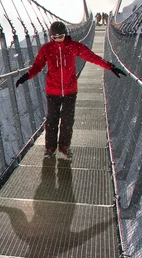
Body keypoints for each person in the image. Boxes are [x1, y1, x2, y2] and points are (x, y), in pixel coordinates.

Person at [15, 21, 125, 159]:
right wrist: (26, 76)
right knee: (51, 120)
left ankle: (64, 147)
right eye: (54, 37)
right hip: (52, 91)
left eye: (60, 36)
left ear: (65, 34)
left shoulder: (74, 46)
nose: (58, 39)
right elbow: (37, 66)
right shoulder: (47, 49)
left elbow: (91, 57)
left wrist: (110, 66)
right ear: (51, 37)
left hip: (70, 91)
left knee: (67, 120)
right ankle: (50, 148)